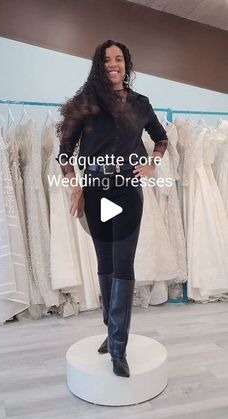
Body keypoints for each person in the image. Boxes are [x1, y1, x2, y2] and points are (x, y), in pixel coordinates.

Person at [56, 40, 168, 378]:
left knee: (123, 265)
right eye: (107, 60)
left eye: (119, 59)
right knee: (104, 263)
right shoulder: (85, 104)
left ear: (126, 64)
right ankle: (111, 331)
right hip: (95, 194)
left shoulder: (141, 104)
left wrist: (153, 164)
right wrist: (76, 187)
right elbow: (64, 151)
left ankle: (118, 348)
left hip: (127, 193)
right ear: (99, 65)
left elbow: (161, 138)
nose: (113, 64)